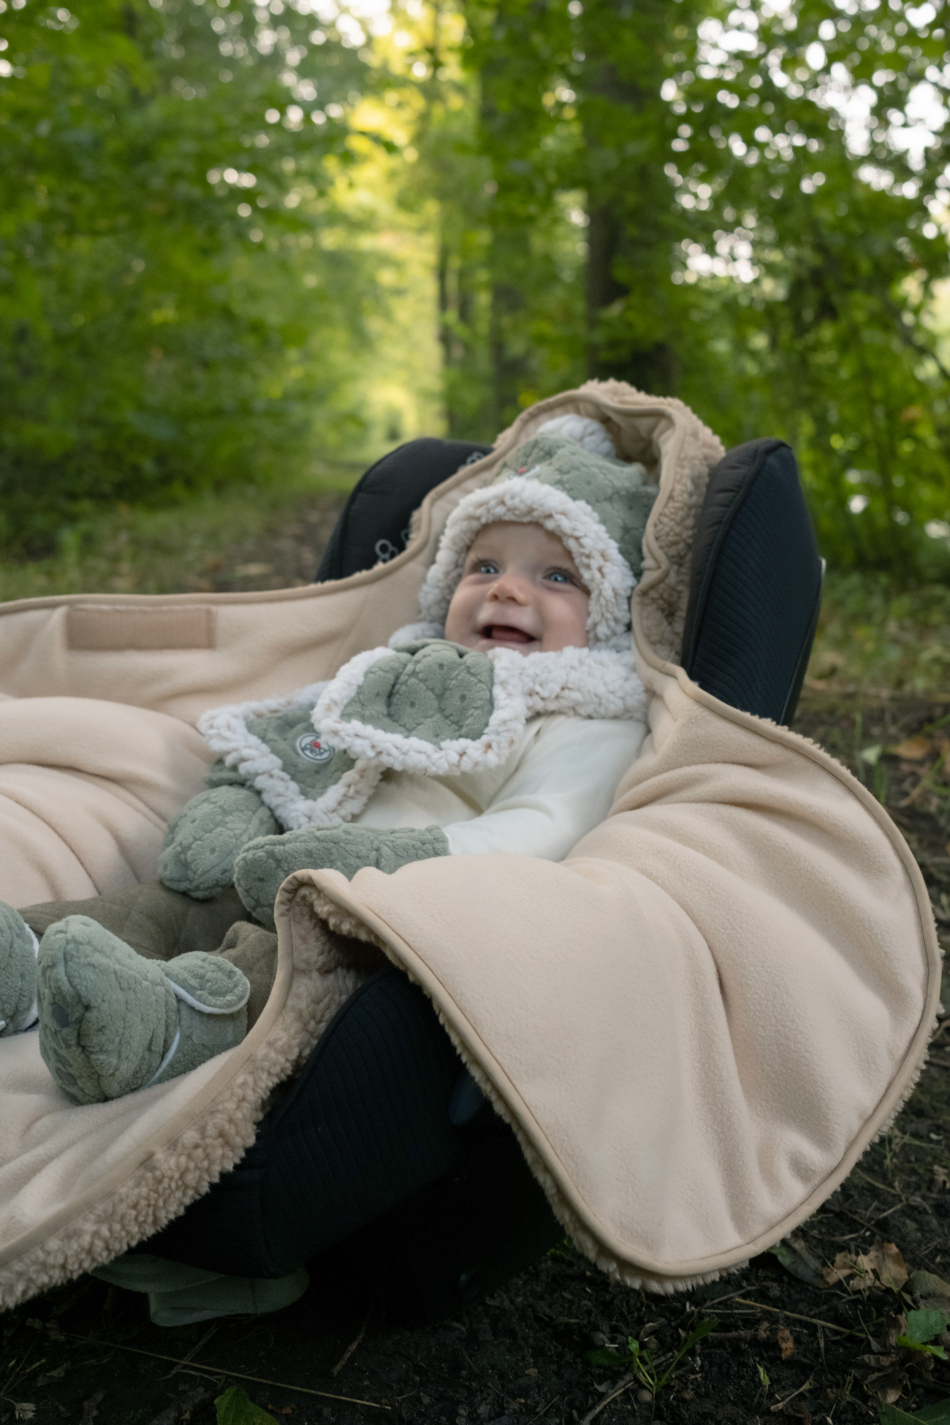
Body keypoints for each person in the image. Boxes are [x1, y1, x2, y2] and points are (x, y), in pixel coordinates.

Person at [0, 420, 656, 1108]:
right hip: (283, 856)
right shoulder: (397, 671)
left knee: (292, 967)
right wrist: (244, 800)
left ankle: (163, 1023)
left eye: (556, 576)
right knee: (168, 905)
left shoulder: (587, 719)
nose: (507, 591)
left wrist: (374, 861)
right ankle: (25, 957)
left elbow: (544, 831)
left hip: (384, 913)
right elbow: (301, 743)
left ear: (608, 612)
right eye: (484, 567)